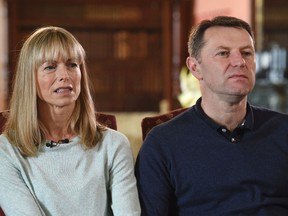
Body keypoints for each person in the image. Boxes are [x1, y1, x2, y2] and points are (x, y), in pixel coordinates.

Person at [135, 16, 288, 215]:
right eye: (223, 53)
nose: (239, 61)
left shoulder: (283, 130)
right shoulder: (162, 143)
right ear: (195, 67)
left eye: (247, 53)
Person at [0, 26, 141, 216]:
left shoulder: (114, 145)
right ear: (29, 78)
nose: (64, 75)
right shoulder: (5, 152)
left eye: (72, 64)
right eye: (50, 67)